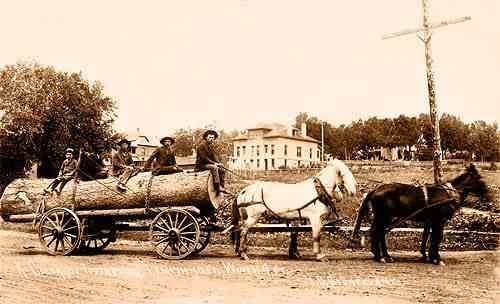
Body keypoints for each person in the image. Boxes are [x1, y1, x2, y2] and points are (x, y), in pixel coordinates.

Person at [195, 130, 227, 195]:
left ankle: (222, 186)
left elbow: (213, 157)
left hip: (208, 164)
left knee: (222, 169)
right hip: (201, 165)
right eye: (210, 137)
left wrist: (218, 163)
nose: (211, 139)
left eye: (212, 137)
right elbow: (204, 158)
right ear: (206, 138)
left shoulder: (211, 146)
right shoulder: (201, 146)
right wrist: (215, 164)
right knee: (215, 167)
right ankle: (217, 187)